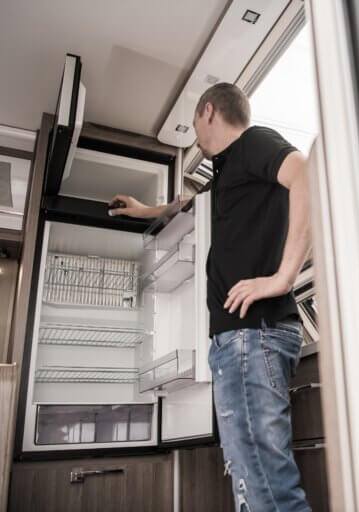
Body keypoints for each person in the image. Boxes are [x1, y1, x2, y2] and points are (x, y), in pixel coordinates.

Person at [109, 82, 312, 511]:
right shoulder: (227, 175)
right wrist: (143, 209)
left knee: (264, 486)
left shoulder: (254, 142)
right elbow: (187, 204)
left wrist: (282, 278)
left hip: (250, 336)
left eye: (195, 124)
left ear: (208, 111)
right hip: (240, 342)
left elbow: (305, 176)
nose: (194, 136)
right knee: (250, 480)